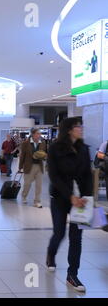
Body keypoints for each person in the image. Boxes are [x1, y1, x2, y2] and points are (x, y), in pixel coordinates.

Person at [46, 117, 93, 292]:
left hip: (81, 200)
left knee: (77, 238)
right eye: (77, 126)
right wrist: (70, 196)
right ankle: (51, 254)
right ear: (68, 130)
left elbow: (88, 175)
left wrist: (88, 198)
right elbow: (54, 176)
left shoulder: (84, 149)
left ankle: (72, 274)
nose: (81, 129)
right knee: (59, 233)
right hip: (59, 197)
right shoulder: (54, 149)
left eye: (81, 125)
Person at [19, 128, 47, 208]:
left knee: (39, 185)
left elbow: (44, 153)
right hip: (29, 166)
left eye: (39, 134)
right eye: (37, 133)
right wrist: (20, 167)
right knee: (27, 184)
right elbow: (22, 156)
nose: (39, 135)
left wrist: (44, 157)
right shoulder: (25, 143)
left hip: (39, 166)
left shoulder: (43, 143)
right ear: (33, 134)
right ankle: (24, 196)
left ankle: (37, 201)